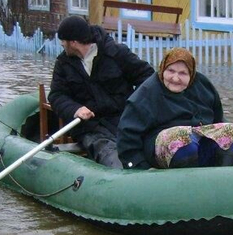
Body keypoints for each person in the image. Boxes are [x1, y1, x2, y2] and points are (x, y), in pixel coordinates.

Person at [48, 15, 154, 168]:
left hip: (125, 119)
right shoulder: (63, 64)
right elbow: (57, 95)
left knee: (142, 144)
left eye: (63, 41)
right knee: (108, 151)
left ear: (73, 42)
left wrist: (136, 105)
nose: (62, 44)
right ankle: (122, 179)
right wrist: (76, 109)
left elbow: (147, 77)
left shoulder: (117, 53)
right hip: (90, 126)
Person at [117, 47, 233, 170]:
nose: (175, 78)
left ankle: (225, 176)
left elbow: (218, 117)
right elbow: (127, 133)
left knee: (232, 131)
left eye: (183, 73)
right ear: (163, 69)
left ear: (191, 74)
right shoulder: (147, 92)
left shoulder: (203, 86)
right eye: (171, 71)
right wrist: (138, 165)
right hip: (165, 145)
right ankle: (187, 183)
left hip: (199, 138)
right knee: (183, 139)